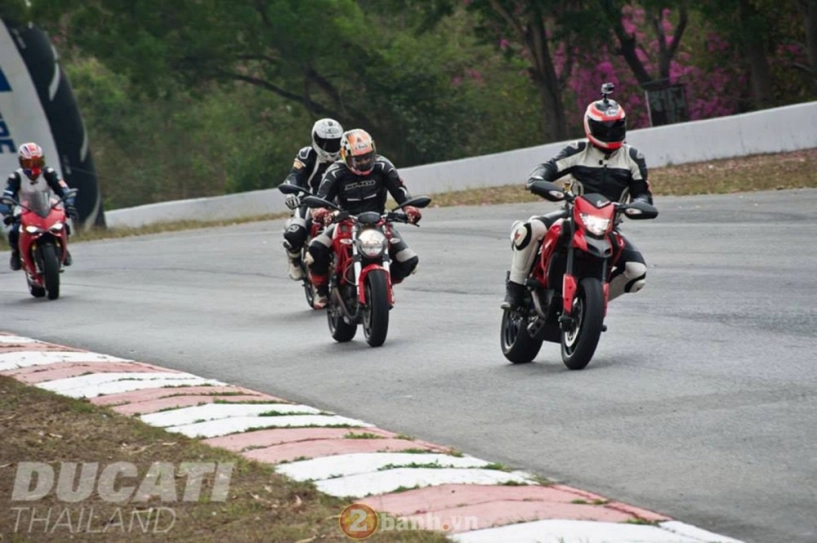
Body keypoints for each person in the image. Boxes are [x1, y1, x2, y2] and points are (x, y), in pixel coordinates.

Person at [502, 84, 654, 310]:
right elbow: (545, 169)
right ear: (590, 126)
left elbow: (642, 192)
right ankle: (514, 290)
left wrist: (639, 205)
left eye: (615, 126)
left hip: (608, 224)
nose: (610, 132)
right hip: (571, 216)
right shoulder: (576, 150)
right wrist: (540, 183)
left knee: (636, 272)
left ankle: (589, 305)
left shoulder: (633, 157)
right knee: (529, 229)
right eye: (604, 127)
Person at [307, 128, 421, 309]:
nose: (364, 162)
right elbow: (321, 199)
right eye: (358, 159)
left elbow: (401, 192)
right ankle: (320, 290)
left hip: (379, 222)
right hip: (345, 222)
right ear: (345, 155)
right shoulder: (335, 171)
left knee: (409, 261)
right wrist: (320, 211)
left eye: (368, 156)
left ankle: (384, 285)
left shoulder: (383, 166)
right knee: (315, 250)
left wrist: (410, 208)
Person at [281, 118, 344, 281]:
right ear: (316, 140)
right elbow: (294, 175)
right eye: (325, 143)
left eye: (334, 142)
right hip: (309, 200)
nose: (330, 147)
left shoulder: (346, 154)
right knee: (295, 233)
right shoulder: (306, 154)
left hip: (339, 201)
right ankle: (294, 258)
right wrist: (291, 193)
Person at [1, 143, 78, 271]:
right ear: (21, 162)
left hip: (47, 205)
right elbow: (6, 197)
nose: (34, 166)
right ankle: (15, 253)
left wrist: (69, 204)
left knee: (63, 225)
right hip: (25, 207)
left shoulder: (49, 173)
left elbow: (64, 190)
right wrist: (8, 213)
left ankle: (64, 248)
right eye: (28, 163)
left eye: (37, 162)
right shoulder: (15, 177)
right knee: (14, 231)